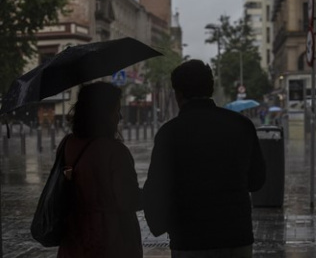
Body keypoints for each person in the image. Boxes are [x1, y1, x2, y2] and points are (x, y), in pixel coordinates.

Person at [143, 59, 266, 257]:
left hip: (189, 239)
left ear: (179, 93)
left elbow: (156, 188)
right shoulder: (241, 125)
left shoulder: (170, 133)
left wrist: (158, 224)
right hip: (236, 237)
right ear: (210, 88)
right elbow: (257, 180)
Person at [57, 82, 143, 258]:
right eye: (116, 110)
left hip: (74, 239)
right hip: (111, 240)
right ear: (103, 114)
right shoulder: (115, 151)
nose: (119, 116)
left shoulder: (67, 145)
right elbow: (127, 200)